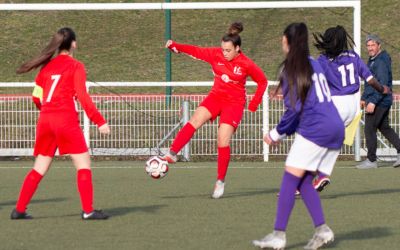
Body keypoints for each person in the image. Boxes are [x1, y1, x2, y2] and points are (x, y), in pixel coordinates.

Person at [252, 22, 344, 249]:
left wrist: (275, 134)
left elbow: (294, 109)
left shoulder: (291, 68)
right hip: (334, 124)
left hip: (316, 128)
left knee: (289, 179)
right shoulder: (315, 63)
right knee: (303, 180)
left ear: (287, 41)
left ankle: (278, 235)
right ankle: (322, 230)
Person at [11, 27, 111, 220]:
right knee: (83, 165)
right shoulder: (76, 66)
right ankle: (88, 211)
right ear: (73, 44)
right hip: (65, 120)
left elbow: (36, 97)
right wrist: (100, 121)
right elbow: (83, 97)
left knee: (39, 167)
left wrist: (47, 112)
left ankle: (19, 209)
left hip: (46, 120)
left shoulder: (46, 67)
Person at [163, 22, 268, 199]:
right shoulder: (216, 54)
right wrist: (176, 46)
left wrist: (254, 103)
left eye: (228, 50)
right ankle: (172, 153)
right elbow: (195, 50)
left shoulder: (246, 63)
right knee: (195, 120)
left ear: (237, 48)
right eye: (223, 49)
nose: (224, 53)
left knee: (222, 140)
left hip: (234, 103)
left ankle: (220, 181)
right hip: (216, 97)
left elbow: (262, 81)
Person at [312, 26, 390, 190]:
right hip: (352, 108)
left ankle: (307, 179)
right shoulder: (353, 56)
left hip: (335, 105)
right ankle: (321, 175)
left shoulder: (324, 60)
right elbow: (370, 80)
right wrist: (382, 89)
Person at [357, 34, 400, 169]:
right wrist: (364, 98)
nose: (370, 48)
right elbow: (370, 83)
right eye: (368, 45)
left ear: (379, 45)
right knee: (385, 128)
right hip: (381, 100)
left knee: (369, 128)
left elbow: (382, 85)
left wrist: (373, 102)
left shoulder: (380, 61)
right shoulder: (373, 59)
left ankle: (371, 160)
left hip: (380, 100)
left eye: (372, 45)